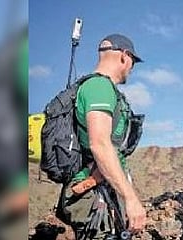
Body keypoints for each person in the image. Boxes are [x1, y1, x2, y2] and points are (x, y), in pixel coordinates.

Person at [71, 34, 146, 235]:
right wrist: (130, 198)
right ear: (124, 55)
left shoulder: (103, 88)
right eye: (133, 62)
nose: (132, 68)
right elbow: (100, 144)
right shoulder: (99, 87)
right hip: (95, 195)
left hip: (103, 191)